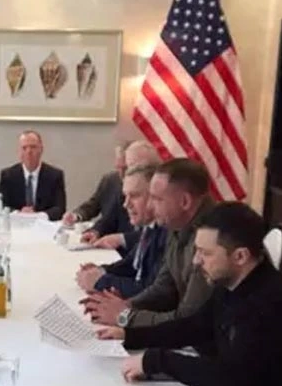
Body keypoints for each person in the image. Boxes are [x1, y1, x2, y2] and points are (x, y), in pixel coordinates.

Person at [118, 202, 282, 386]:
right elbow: (195, 327)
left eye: (205, 253)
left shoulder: (275, 304)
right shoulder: (233, 283)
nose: (196, 261)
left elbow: (232, 376)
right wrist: (128, 336)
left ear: (240, 256)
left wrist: (157, 360)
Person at [86, 157, 216, 330]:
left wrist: (125, 317)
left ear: (184, 201)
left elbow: (188, 320)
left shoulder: (211, 240)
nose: (151, 207)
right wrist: (125, 306)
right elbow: (163, 288)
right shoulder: (176, 224)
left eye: (156, 199)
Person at [74, 163, 167, 298]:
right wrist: (102, 271)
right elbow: (131, 264)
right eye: (125, 196)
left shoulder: (167, 233)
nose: (126, 204)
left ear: (155, 196)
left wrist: (100, 282)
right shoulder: (150, 226)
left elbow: (149, 290)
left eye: (134, 196)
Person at [80, 140, 159, 250]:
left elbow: (155, 235)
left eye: (136, 168)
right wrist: (96, 231)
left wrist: (122, 239)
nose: (126, 173)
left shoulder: (164, 203)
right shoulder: (121, 183)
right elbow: (110, 219)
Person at [0, 130, 67, 221]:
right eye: (24, 148)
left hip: (44, 225)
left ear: (41, 149)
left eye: (33, 147)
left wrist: (37, 216)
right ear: (19, 151)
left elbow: (60, 208)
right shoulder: (8, 175)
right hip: (17, 224)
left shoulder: (55, 175)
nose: (29, 151)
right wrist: (19, 213)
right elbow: (2, 206)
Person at [61, 141, 129, 228]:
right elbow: (93, 205)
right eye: (118, 167)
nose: (122, 174)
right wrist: (75, 216)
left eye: (126, 168)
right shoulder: (110, 180)